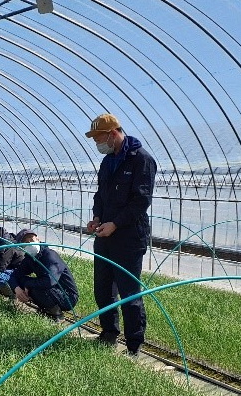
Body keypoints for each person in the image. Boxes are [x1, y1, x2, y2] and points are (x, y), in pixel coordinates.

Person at [85, 113, 157, 356]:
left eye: (99, 138)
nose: (97, 143)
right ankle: (108, 333)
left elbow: (141, 201)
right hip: (104, 236)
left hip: (128, 238)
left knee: (129, 293)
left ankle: (134, 345)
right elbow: (100, 195)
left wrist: (115, 223)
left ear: (113, 133)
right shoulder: (108, 162)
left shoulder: (141, 160)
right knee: (103, 289)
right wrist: (97, 218)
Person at [9, 229, 79, 321]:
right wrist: (17, 288)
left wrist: (27, 284)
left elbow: (50, 281)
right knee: (24, 282)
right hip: (51, 289)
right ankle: (47, 308)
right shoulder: (30, 258)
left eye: (31, 240)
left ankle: (57, 314)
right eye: (26, 243)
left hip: (67, 296)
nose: (30, 243)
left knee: (35, 288)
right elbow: (15, 275)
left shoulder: (49, 255)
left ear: (38, 239)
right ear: (22, 247)